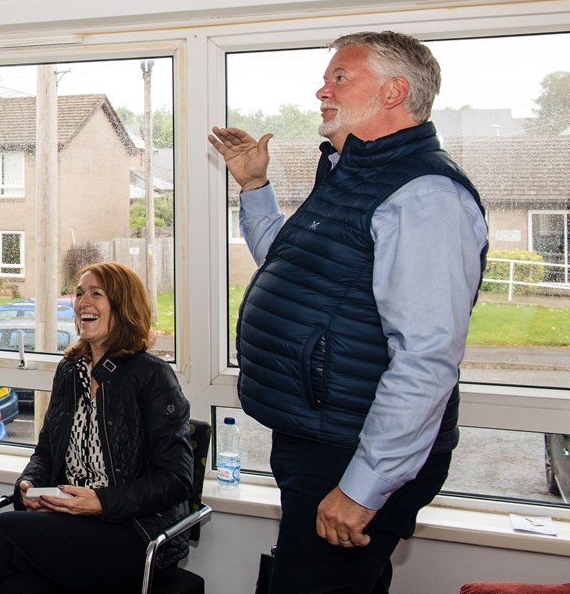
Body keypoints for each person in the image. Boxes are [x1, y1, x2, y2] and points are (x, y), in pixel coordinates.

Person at [209, 31, 488, 594]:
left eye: (340, 76)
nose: (322, 89)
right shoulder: (351, 174)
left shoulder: (426, 194)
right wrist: (255, 185)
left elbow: (427, 358)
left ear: (394, 92)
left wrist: (365, 486)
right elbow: (293, 266)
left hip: (351, 450)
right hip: (321, 437)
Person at [0, 261, 194, 594]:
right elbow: (47, 450)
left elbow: (176, 480)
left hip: (135, 535)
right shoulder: (69, 371)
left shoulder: (152, 375)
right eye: (79, 294)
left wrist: (102, 501)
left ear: (122, 306)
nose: (82, 303)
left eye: (96, 294)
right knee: (13, 588)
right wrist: (30, 482)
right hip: (72, 525)